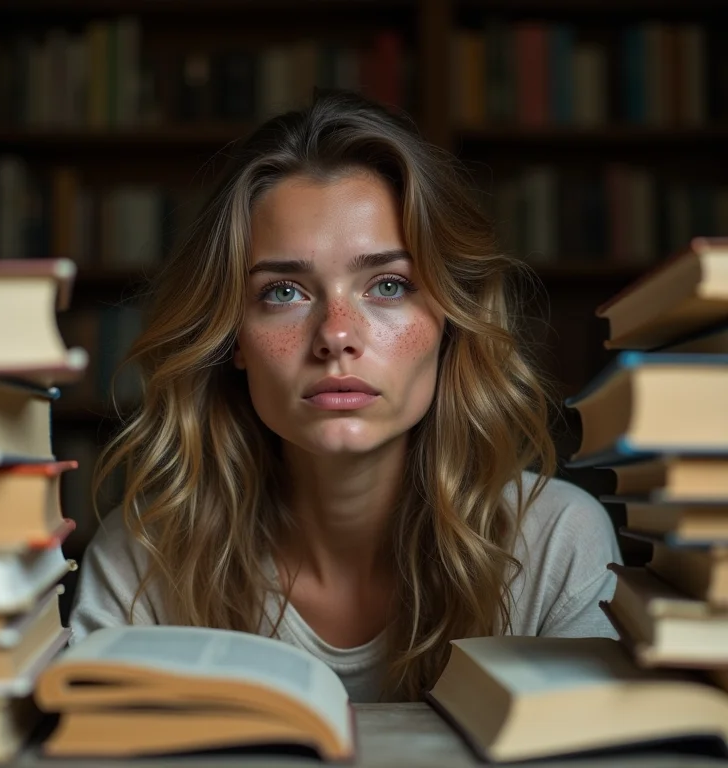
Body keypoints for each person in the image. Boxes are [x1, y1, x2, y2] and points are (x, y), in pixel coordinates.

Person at [68, 90, 621, 703]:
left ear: (449, 320)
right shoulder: (144, 558)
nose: (336, 335)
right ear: (234, 339)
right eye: (283, 292)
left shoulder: (556, 545)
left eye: (387, 285)